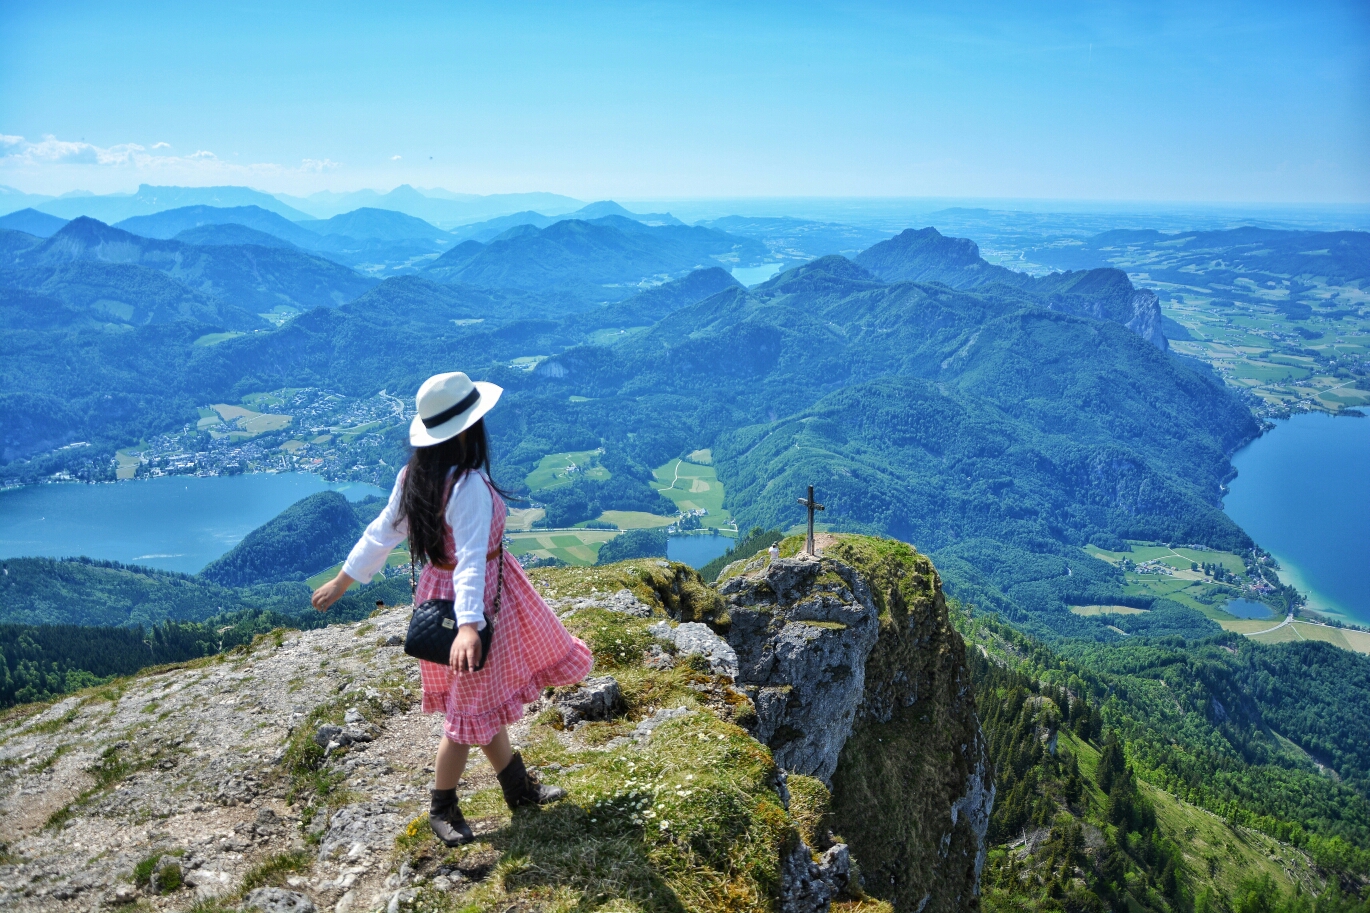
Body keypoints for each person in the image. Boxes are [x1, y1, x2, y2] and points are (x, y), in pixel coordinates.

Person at [311, 371, 593, 846]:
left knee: (480, 705)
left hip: (441, 594)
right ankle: (442, 803)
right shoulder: (470, 487)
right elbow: (468, 562)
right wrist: (468, 626)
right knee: (467, 715)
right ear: (468, 430)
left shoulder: (415, 476)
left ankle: (518, 788)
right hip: (476, 602)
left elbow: (382, 532)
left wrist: (344, 579)